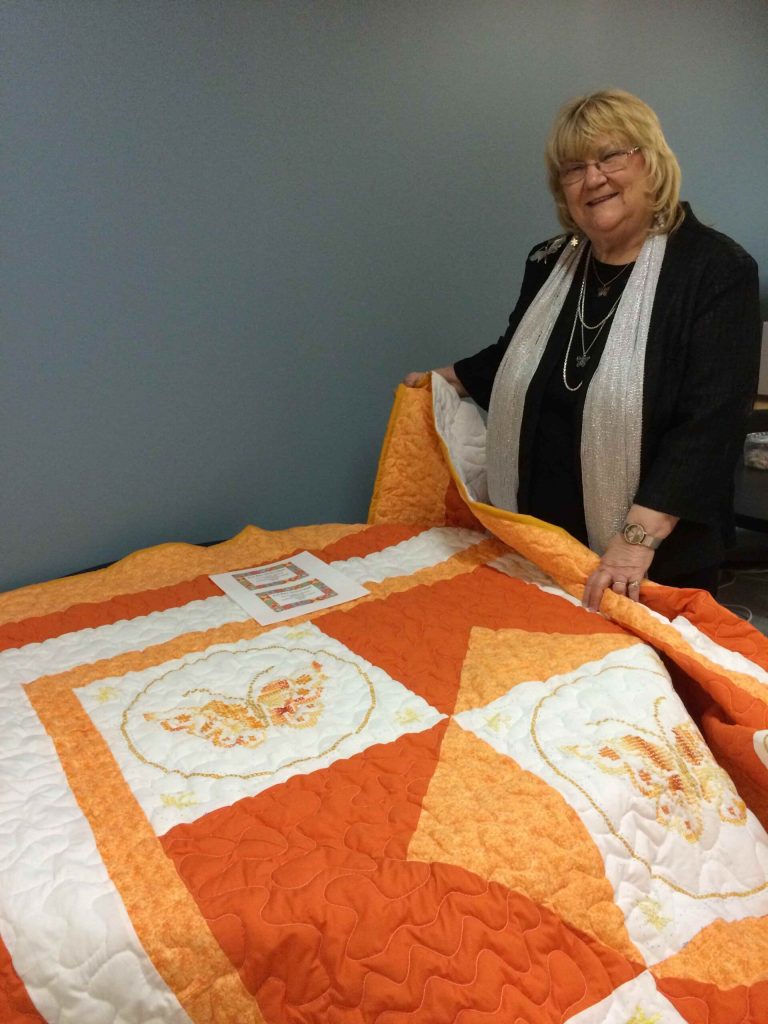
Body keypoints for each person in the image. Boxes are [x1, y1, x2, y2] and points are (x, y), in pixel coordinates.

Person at [404, 89, 761, 612]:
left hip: (651, 559)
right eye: (573, 168)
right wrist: (447, 378)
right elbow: (518, 357)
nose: (593, 178)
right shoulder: (550, 262)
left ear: (651, 161)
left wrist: (634, 544)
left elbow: (709, 427)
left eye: (611, 156)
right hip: (539, 542)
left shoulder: (715, 270)